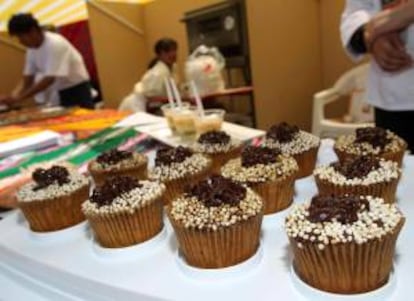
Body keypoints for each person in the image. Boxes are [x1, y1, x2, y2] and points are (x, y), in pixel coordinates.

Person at [341, 0, 414, 153]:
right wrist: (371, 39)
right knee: (392, 169)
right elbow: (356, 12)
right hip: (392, 96)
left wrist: (401, 15)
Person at [0, 13, 94, 109]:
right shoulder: (31, 49)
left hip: (77, 89)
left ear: (33, 31)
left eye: (21, 36)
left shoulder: (55, 43)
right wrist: (13, 96)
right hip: (60, 91)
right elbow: (27, 79)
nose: (20, 41)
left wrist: (20, 98)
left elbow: (49, 79)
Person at [119, 38, 178, 112]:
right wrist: (180, 99)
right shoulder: (158, 72)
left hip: (147, 105)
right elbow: (151, 98)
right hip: (136, 106)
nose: (172, 54)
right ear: (159, 55)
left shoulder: (172, 68)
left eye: (174, 50)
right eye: (167, 51)